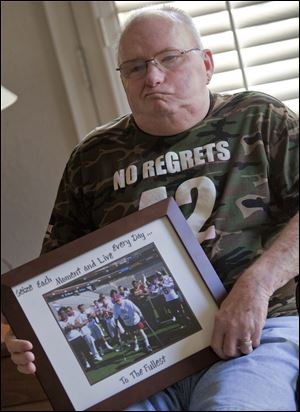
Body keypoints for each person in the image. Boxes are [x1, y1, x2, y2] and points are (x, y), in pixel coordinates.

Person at [3, 5, 299, 411]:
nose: (154, 77)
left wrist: (256, 286)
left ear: (207, 63)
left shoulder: (260, 118)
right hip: (146, 362)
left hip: (254, 333)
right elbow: (54, 275)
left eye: (169, 59)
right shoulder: (93, 158)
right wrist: (29, 334)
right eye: (135, 67)